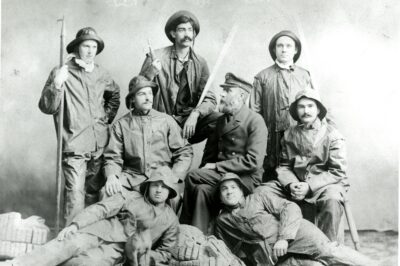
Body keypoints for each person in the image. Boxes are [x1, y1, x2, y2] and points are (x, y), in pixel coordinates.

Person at [6, 166, 179, 266]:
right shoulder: (131, 196)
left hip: (116, 251)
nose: (158, 190)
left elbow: (166, 253)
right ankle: (16, 264)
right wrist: (75, 225)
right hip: (97, 231)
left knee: (86, 263)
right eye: (155, 185)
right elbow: (101, 208)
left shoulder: (171, 220)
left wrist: (145, 256)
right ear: (148, 186)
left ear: (170, 191)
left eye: (164, 187)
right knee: (67, 243)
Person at [38, 27, 120, 225]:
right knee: (75, 195)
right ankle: (70, 245)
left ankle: (88, 242)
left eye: (94, 46)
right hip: (74, 144)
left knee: (94, 195)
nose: (91, 51)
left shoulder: (101, 73)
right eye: (86, 46)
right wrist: (57, 85)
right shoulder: (62, 71)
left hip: (100, 145)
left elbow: (114, 95)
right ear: (77, 48)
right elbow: (47, 107)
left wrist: (104, 119)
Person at [214, 173, 375, 266]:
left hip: (296, 234)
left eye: (233, 187)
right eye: (224, 189)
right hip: (274, 257)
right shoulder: (223, 221)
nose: (229, 192)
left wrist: (284, 238)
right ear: (220, 197)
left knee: (331, 252)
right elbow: (225, 249)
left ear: (242, 191)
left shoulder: (258, 197)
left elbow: (289, 208)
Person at [180, 73, 268, 234]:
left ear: (241, 95)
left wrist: (216, 166)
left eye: (227, 91)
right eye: (223, 90)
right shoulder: (221, 120)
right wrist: (206, 170)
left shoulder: (255, 121)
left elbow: (254, 161)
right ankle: (197, 236)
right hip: (224, 174)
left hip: (245, 177)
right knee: (201, 190)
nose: (221, 94)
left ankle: (183, 227)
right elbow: (210, 154)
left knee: (192, 176)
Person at [259, 89, 347, 242]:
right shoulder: (289, 134)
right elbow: (285, 166)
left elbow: (337, 172)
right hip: (295, 183)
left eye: (310, 106)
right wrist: (291, 183)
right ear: (296, 110)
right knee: (262, 191)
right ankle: (277, 245)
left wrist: (309, 186)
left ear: (318, 109)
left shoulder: (333, 135)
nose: (306, 111)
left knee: (332, 200)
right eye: (301, 107)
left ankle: (326, 251)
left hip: (323, 186)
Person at [102, 75, 193, 200]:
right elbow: (113, 157)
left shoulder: (166, 121)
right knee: (107, 193)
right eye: (142, 94)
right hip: (132, 178)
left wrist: (174, 175)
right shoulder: (121, 125)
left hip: (161, 177)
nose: (147, 98)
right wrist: (112, 176)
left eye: (150, 93)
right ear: (132, 99)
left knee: (173, 199)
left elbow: (184, 151)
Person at [140, 10, 221, 144]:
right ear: (173, 34)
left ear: (194, 34)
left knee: (222, 120)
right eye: (182, 30)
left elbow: (210, 98)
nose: (187, 34)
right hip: (160, 122)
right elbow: (137, 93)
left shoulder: (200, 63)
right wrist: (151, 73)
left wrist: (195, 114)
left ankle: (209, 163)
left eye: (190, 30)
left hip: (188, 123)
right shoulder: (156, 57)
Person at [250, 30, 314, 181]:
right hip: (270, 140)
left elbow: (313, 108)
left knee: (299, 178)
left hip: (299, 137)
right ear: (274, 49)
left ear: (296, 49)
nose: (284, 49)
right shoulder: (262, 77)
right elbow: (254, 113)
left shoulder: (305, 76)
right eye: (280, 46)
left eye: (288, 46)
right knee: (270, 179)